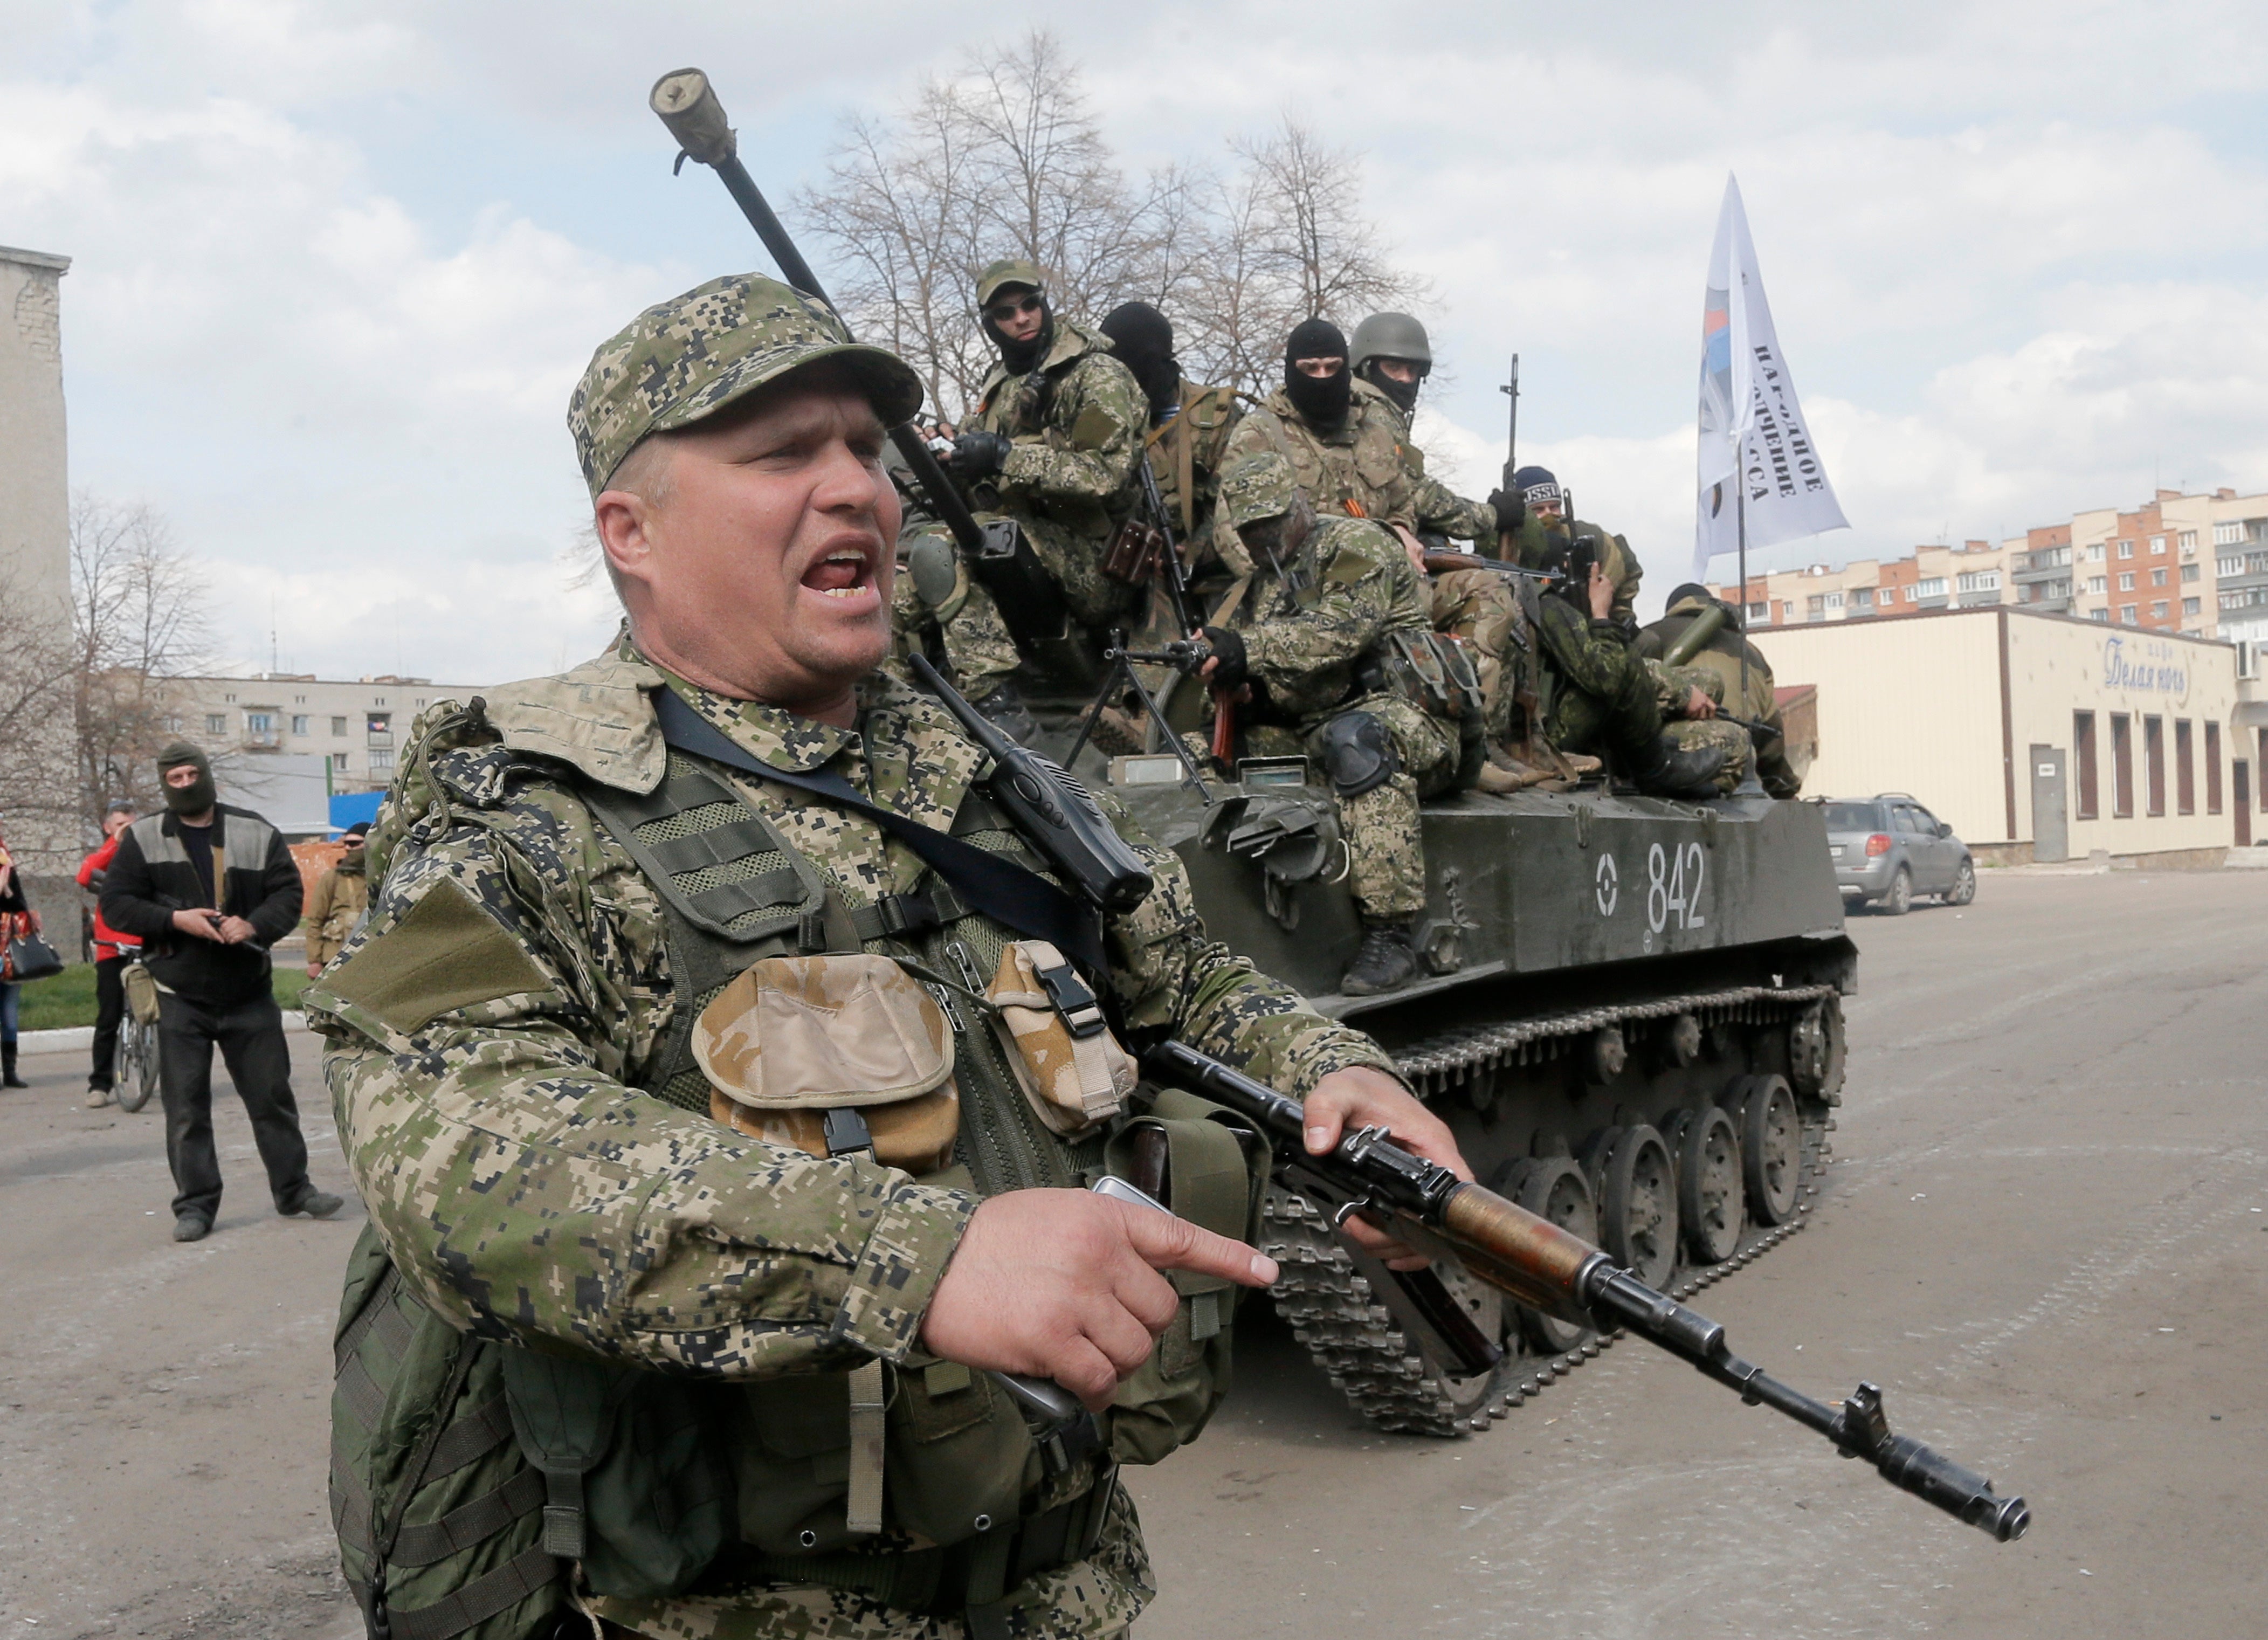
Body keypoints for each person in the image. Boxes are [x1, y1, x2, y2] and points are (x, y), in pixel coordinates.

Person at [309, 271, 1464, 1640]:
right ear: (633, 529)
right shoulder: (527, 803)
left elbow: (1185, 977)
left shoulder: (979, 769)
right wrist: (919, 1255)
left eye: (865, 447)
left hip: (1056, 1592)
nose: (855, 485)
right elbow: (457, 1147)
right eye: (784, 453)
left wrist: (1338, 1070)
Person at [1198, 452, 1474, 995]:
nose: (1264, 539)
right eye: (1252, 530)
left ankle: (1390, 935)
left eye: (1272, 524)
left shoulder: (1356, 546)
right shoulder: (1261, 585)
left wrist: (1244, 648)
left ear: (1298, 507)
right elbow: (1282, 671)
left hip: (1407, 718)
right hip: (1316, 724)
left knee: (1360, 743)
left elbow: (1338, 634)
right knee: (1205, 750)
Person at [99, 743, 342, 1242]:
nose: (185, 784)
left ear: (207, 776)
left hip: (248, 993)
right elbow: (117, 905)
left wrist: (251, 927)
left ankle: (294, 1190)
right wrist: (174, 919)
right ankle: (196, 1207)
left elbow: (289, 896)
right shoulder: (143, 837)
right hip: (177, 994)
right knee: (186, 1109)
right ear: (165, 783)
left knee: (272, 1099)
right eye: (176, 778)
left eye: (193, 774)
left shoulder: (256, 831)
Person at [900, 258, 1148, 736]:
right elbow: (982, 468)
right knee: (903, 584)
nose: (1022, 319)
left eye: (1030, 305)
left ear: (1044, 304)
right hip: (1016, 545)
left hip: (1095, 564)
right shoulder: (1002, 387)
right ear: (989, 324)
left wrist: (1004, 456)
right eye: (1005, 313)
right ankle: (886, 708)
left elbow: (1106, 475)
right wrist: (951, 459)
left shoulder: (1096, 376)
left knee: (944, 547)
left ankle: (994, 703)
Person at [1527, 554, 1750, 798]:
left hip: (1572, 712)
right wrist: (1600, 615)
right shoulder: (1545, 603)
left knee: (1709, 681)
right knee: (1734, 739)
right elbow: (1608, 676)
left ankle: (1654, 749)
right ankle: (1654, 768)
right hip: (1556, 737)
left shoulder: (1539, 597)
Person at [1097, 300, 1241, 563]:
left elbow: (1235, 499)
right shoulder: (1098, 417)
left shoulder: (1217, 415)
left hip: (1210, 567)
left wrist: (1198, 549)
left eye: (1139, 364)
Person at [1635, 584, 1802, 797]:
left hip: (1667, 773)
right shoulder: (1750, 653)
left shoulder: (1649, 636)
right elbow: (1771, 743)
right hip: (1737, 780)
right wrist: (1785, 790)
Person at [1502, 464, 1643, 630]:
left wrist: (1615, 613)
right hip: (1535, 630)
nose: (1550, 514)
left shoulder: (1591, 536)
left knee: (1648, 643)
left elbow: (1626, 568)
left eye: (1555, 506)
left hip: (1595, 626)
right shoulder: (1510, 545)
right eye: (1538, 509)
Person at [76, 800, 142, 1108]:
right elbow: (85, 876)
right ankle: (100, 1084)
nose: (128, 832)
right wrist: (114, 844)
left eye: (132, 825)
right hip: (111, 948)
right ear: (108, 828)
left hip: (145, 944)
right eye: (121, 826)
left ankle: (167, 1076)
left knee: (162, 1014)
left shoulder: (145, 854)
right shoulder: (105, 857)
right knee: (109, 1017)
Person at [0, 818, 42, 1090]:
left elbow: (15, 899)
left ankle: (10, 1071)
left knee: (9, 1009)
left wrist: (27, 910)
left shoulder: (5, 856)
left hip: (10, 938)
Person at [300, 824, 369, 978]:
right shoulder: (333, 878)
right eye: (345, 843)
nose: (348, 848)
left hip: (371, 956)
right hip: (335, 956)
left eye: (354, 844)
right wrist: (315, 961)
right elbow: (315, 920)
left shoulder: (382, 876)